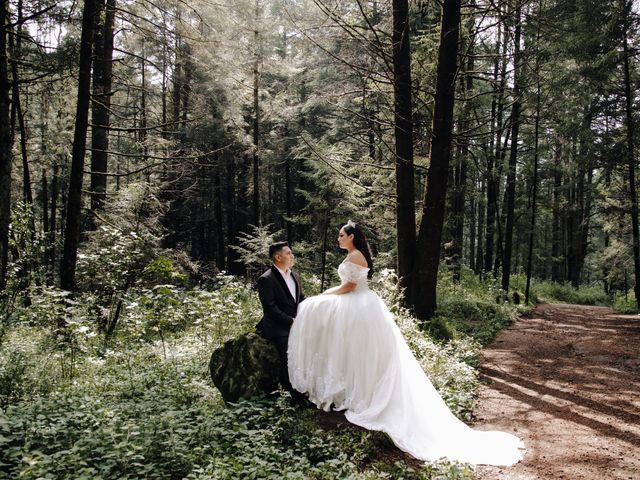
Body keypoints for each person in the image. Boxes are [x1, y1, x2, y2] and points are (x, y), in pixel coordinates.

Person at [287, 221, 525, 465]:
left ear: (352, 238)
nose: (338, 238)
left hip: (358, 306)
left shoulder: (356, 256)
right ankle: (353, 389)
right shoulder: (353, 254)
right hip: (359, 306)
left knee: (353, 345)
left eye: (341, 235)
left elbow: (349, 286)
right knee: (354, 351)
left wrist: (327, 293)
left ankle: (363, 394)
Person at [257, 241, 309, 405]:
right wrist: (290, 321)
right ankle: (295, 397)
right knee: (288, 358)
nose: (292, 256)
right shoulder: (266, 279)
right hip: (278, 327)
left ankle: (304, 388)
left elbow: (300, 299)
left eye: (291, 253)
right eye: (288, 253)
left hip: (295, 323)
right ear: (278, 257)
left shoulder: (295, 275)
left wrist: (315, 307)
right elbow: (270, 307)